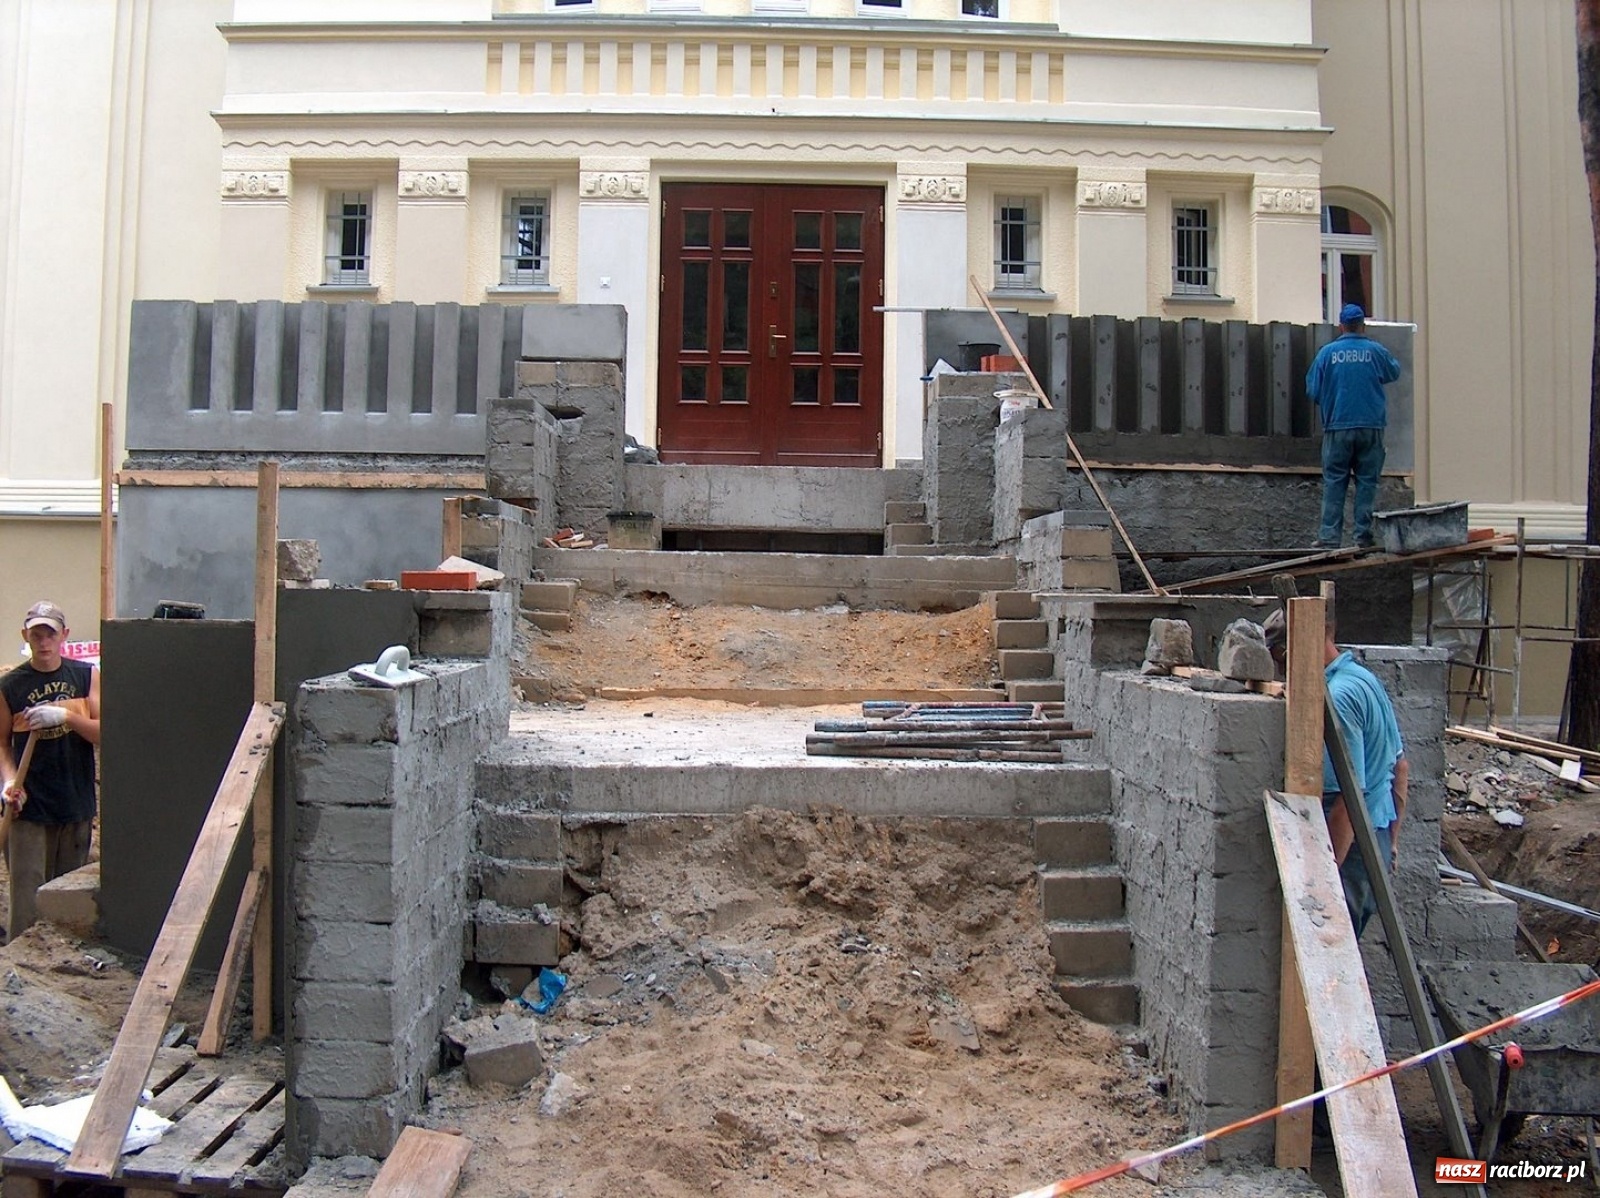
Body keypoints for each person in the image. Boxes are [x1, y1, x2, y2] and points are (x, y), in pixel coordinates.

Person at [1264, 610, 1407, 939]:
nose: (1282, 672)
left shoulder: (1338, 698)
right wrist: (1392, 845)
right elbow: (1400, 768)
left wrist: (1326, 875)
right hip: (1377, 836)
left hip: (1351, 846)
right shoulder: (1364, 679)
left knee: (1331, 954)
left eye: (1278, 660)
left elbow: (1349, 796)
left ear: (1288, 651)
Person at [0, 601, 100, 944]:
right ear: (25, 636)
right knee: (27, 903)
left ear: (64, 636)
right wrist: (10, 780)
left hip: (75, 804)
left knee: (68, 902)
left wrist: (66, 717)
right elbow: (1, 745)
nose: (43, 642)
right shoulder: (10, 685)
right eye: (36, 635)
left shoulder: (85, 676)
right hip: (29, 808)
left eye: (50, 634)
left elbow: (104, 734)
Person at [1305, 303, 1402, 550]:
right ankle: (1363, 537)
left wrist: (1332, 400)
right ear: (1362, 325)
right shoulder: (1375, 351)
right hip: (1371, 426)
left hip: (1338, 426)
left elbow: (1312, 389)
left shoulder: (1327, 354)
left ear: (1341, 326)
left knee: (1335, 481)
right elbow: (1394, 372)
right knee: (1367, 482)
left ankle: (1329, 538)